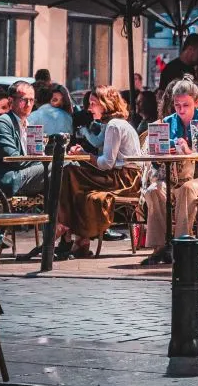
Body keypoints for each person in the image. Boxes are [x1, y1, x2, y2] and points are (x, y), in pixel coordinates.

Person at [140, 79, 198, 263]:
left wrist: (191, 153)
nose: (181, 110)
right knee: (154, 191)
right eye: (177, 105)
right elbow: (156, 164)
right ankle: (160, 247)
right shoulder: (169, 122)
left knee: (188, 189)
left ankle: (180, 244)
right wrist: (158, 154)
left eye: (186, 105)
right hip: (174, 177)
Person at [55, 88, 143, 259]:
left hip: (124, 179)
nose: (89, 108)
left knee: (69, 173)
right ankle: (79, 239)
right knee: (73, 178)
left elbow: (106, 163)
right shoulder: (114, 124)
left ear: (105, 104)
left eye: (93, 104)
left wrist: (85, 156)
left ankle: (65, 228)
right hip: (121, 175)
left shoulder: (114, 126)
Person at [0, 81, 47, 197]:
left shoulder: (31, 125)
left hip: (27, 176)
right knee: (61, 166)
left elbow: (37, 157)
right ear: (11, 101)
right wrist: (43, 159)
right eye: (24, 100)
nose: (28, 104)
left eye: (32, 100)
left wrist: (42, 158)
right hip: (10, 181)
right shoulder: (2, 123)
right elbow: (15, 160)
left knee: (68, 167)